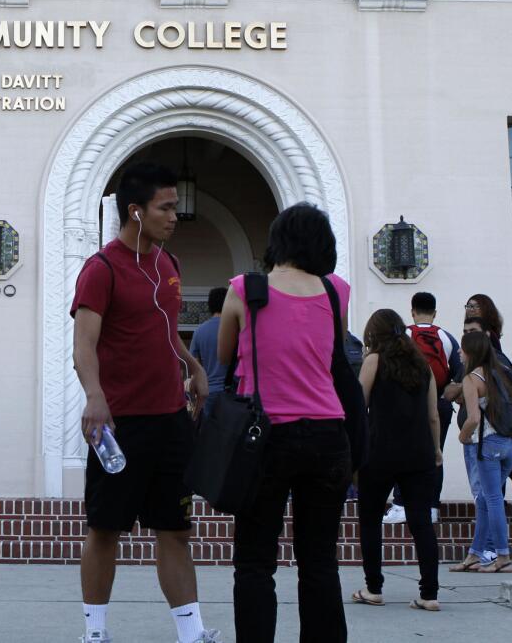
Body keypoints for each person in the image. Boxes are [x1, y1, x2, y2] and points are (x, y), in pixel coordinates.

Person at [70, 163, 217, 643]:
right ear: (136, 211)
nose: (175, 216)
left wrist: (192, 366)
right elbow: (84, 345)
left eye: (175, 206)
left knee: (175, 530)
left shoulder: (168, 264)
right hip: (119, 425)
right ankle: (95, 634)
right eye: (166, 207)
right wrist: (95, 397)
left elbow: (164, 331)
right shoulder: (102, 268)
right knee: (105, 530)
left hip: (171, 421)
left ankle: (192, 634)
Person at [218, 202, 352, 643]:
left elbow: (225, 358)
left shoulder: (244, 289)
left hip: (265, 437)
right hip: (328, 433)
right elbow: (332, 356)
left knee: (255, 561)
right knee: (319, 560)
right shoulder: (337, 291)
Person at [352, 309, 442, 611]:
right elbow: (432, 415)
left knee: (370, 520)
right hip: (419, 453)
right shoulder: (423, 365)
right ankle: (429, 594)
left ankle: (374, 588)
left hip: (379, 452)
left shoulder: (374, 361)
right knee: (421, 524)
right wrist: (437, 450)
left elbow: (358, 407)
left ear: (373, 334)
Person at [383, 292, 461, 525]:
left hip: (407, 404)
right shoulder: (447, 338)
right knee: (435, 455)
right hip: (439, 403)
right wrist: (448, 391)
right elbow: (459, 368)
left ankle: (400, 505)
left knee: (402, 452)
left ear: (412, 311)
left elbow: (389, 366)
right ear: (434, 313)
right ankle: (431, 507)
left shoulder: (403, 335)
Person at [464, 294, 512, 522]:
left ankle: (491, 545)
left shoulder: (490, 349)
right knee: (496, 491)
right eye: (468, 306)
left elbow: (487, 381)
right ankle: (498, 546)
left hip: (492, 426)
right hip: (498, 426)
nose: (470, 309)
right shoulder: (483, 346)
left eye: (474, 306)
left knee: (490, 495)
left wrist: (463, 434)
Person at [451, 330, 512, 573]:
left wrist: (462, 436)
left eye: (462, 348)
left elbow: (472, 418)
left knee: (492, 499)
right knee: (485, 500)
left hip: (488, 444)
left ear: (470, 351)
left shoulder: (472, 378)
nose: (459, 352)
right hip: (510, 443)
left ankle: (502, 556)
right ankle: (475, 554)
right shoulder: (500, 372)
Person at [189, 287, 230, 420]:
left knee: (209, 436)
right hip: (231, 393)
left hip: (208, 392)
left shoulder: (199, 331)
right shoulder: (235, 329)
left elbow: (193, 365)